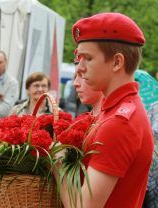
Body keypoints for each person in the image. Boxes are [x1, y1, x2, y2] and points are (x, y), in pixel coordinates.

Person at [59, 13, 154, 208]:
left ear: (117, 62)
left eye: (88, 58)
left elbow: (84, 206)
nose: (80, 68)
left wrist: (57, 162)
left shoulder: (119, 122)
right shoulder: (117, 110)